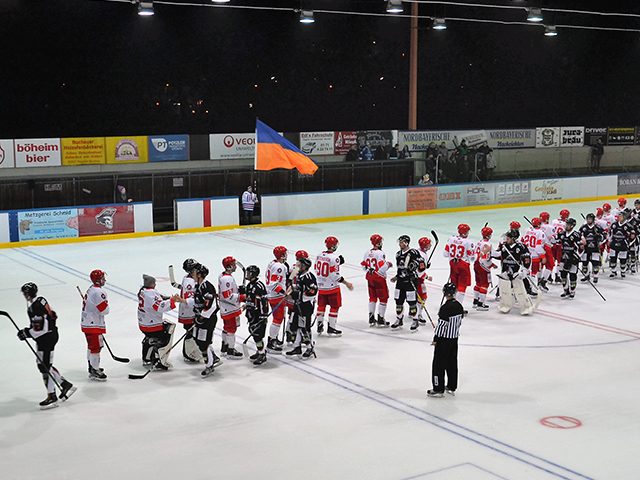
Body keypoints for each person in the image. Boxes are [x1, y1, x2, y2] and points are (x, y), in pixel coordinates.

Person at [18, 283, 77, 409]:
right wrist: (29, 331)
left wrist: (26, 333)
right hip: (47, 336)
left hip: (46, 338)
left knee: (45, 367)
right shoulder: (41, 300)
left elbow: (41, 329)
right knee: (43, 365)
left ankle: (52, 396)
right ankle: (64, 384)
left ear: (27, 294)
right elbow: (53, 315)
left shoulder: (35, 307)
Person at [427, 282, 464, 398]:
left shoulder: (445, 308)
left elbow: (442, 326)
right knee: (452, 363)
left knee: (438, 365)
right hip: (454, 339)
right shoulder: (459, 306)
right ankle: (452, 386)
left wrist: (436, 339)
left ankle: (438, 388)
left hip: (444, 341)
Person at [138, 274, 182, 370]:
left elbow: (159, 298)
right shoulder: (151, 294)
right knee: (165, 335)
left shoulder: (143, 291)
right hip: (151, 325)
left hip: (143, 324)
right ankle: (158, 361)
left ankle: (147, 357)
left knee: (150, 336)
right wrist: (172, 300)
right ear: (152, 284)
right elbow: (159, 307)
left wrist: (168, 298)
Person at [315, 236, 354, 336]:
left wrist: (338, 263)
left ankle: (319, 325)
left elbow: (318, 268)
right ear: (333, 246)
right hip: (332, 288)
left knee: (321, 306)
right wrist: (346, 283)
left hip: (321, 286)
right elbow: (334, 275)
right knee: (334, 307)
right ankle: (331, 328)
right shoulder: (334, 257)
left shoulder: (319, 255)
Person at [495, 230, 535, 315]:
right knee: (505, 291)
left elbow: (527, 259)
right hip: (505, 272)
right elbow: (498, 255)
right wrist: (490, 251)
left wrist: (524, 270)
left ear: (513, 239)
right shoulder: (504, 246)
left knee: (520, 291)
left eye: (508, 238)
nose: (506, 239)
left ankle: (526, 306)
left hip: (516, 273)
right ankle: (505, 305)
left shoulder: (521, 247)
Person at [192, 264, 222, 377]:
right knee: (198, 340)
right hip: (200, 319)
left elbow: (213, 305)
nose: (192, 274)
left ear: (199, 275)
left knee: (204, 343)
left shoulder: (206, 287)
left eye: (195, 272)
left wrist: (202, 317)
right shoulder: (198, 286)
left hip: (207, 320)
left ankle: (209, 365)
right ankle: (212, 357)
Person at [286, 257, 318, 359]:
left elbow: (313, 291)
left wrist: (299, 295)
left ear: (305, 266)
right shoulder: (300, 275)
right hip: (298, 304)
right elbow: (298, 286)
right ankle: (297, 347)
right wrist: (292, 289)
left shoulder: (309, 277)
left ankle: (309, 348)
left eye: (300, 265)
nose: (298, 266)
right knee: (296, 326)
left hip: (306, 306)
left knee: (304, 327)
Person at [390, 235, 424, 331]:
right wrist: (396, 277)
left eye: (402, 242)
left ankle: (415, 320)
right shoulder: (398, 254)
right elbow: (399, 269)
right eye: (400, 242)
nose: (400, 244)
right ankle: (399, 319)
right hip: (400, 282)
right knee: (398, 302)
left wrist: (415, 265)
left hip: (410, 281)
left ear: (407, 243)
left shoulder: (413, 252)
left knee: (412, 302)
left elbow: (422, 264)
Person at [81, 269, 109, 381]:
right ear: (98, 280)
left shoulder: (91, 289)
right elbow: (105, 310)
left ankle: (92, 367)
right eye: (103, 278)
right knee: (95, 348)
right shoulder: (99, 292)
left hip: (88, 323)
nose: (104, 280)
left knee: (92, 346)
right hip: (93, 325)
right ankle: (95, 370)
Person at [173, 258, 201, 363]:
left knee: (192, 332)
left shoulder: (188, 278)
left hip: (188, 311)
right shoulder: (190, 281)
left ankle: (189, 353)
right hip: (189, 312)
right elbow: (189, 299)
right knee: (191, 332)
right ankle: (189, 354)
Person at [362, 234, 392, 327]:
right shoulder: (380, 253)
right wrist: (388, 264)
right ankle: (381, 319)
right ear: (378, 243)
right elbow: (381, 268)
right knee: (383, 298)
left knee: (372, 297)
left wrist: (370, 271)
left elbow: (364, 266)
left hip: (369, 277)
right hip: (379, 278)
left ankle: (371, 318)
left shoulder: (367, 252)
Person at [444, 224, 476, 311]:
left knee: (454, 286)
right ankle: (457, 308)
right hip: (463, 265)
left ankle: (451, 305)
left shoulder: (451, 238)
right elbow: (472, 258)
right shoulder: (469, 242)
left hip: (452, 264)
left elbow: (445, 254)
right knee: (462, 286)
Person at [218, 256, 245, 359]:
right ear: (229, 267)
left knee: (227, 328)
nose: (235, 266)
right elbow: (227, 295)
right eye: (233, 265)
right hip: (229, 307)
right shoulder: (227, 279)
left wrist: (238, 289)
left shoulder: (222, 275)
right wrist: (241, 297)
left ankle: (224, 348)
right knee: (231, 329)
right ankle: (230, 350)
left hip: (226, 307)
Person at [265, 245, 291, 353]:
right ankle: (271, 342)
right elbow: (273, 284)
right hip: (276, 296)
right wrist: (283, 292)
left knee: (278, 318)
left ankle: (273, 339)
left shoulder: (272, 263)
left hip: (273, 295)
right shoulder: (279, 267)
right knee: (278, 319)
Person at [244, 265, 269, 366]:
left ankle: (262, 354)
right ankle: (260, 351)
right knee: (254, 334)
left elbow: (264, 302)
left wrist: (264, 316)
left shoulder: (259, 286)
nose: (247, 275)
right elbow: (250, 299)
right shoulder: (250, 285)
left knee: (258, 335)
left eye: (249, 273)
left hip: (258, 315)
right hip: (251, 314)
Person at [520, 217, 548, 291]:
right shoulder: (540, 233)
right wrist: (543, 256)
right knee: (534, 273)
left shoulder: (526, 230)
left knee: (526, 271)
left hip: (525, 255)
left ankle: (525, 288)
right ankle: (532, 289)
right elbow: (538, 246)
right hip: (534, 256)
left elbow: (522, 241)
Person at [557, 218, 582, 298]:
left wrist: (577, 256)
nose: (566, 226)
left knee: (572, 275)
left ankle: (572, 291)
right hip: (563, 257)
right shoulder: (562, 234)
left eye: (568, 224)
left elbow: (581, 248)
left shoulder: (576, 235)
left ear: (572, 226)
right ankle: (565, 290)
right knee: (563, 275)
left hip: (573, 258)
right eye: (566, 224)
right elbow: (557, 242)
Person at [473, 227, 495, 311]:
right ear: (489, 235)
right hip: (483, 265)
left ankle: (475, 301)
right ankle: (480, 304)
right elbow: (485, 258)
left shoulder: (478, 243)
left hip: (476, 264)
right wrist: (490, 265)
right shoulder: (488, 245)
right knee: (484, 285)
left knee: (478, 283)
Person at [579, 213, 605, 283]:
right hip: (586, 248)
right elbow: (578, 236)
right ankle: (586, 275)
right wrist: (581, 241)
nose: (588, 220)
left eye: (590, 219)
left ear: (593, 220)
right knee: (584, 264)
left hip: (595, 248)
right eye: (587, 219)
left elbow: (604, 236)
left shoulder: (598, 227)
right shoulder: (583, 227)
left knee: (595, 263)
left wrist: (599, 238)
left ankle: (596, 276)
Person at [608, 211, 633, 278]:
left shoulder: (628, 226)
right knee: (613, 259)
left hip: (623, 245)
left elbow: (632, 235)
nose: (619, 217)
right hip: (613, 244)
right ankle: (613, 272)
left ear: (624, 217)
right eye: (619, 216)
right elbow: (610, 233)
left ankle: (622, 271)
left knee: (623, 260)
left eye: (621, 216)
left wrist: (629, 243)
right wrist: (609, 240)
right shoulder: (614, 224)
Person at [416, 237, 433, 324]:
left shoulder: (416, 251)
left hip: (410, 278)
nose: (430, 245)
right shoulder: (423, 256)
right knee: (423, 296)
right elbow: (419, 273)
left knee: (413, 297)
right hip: (418, 280)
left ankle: (413, 312)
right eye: (428, 244)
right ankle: (418, 314)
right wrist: (427, 277)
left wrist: (425, 265)